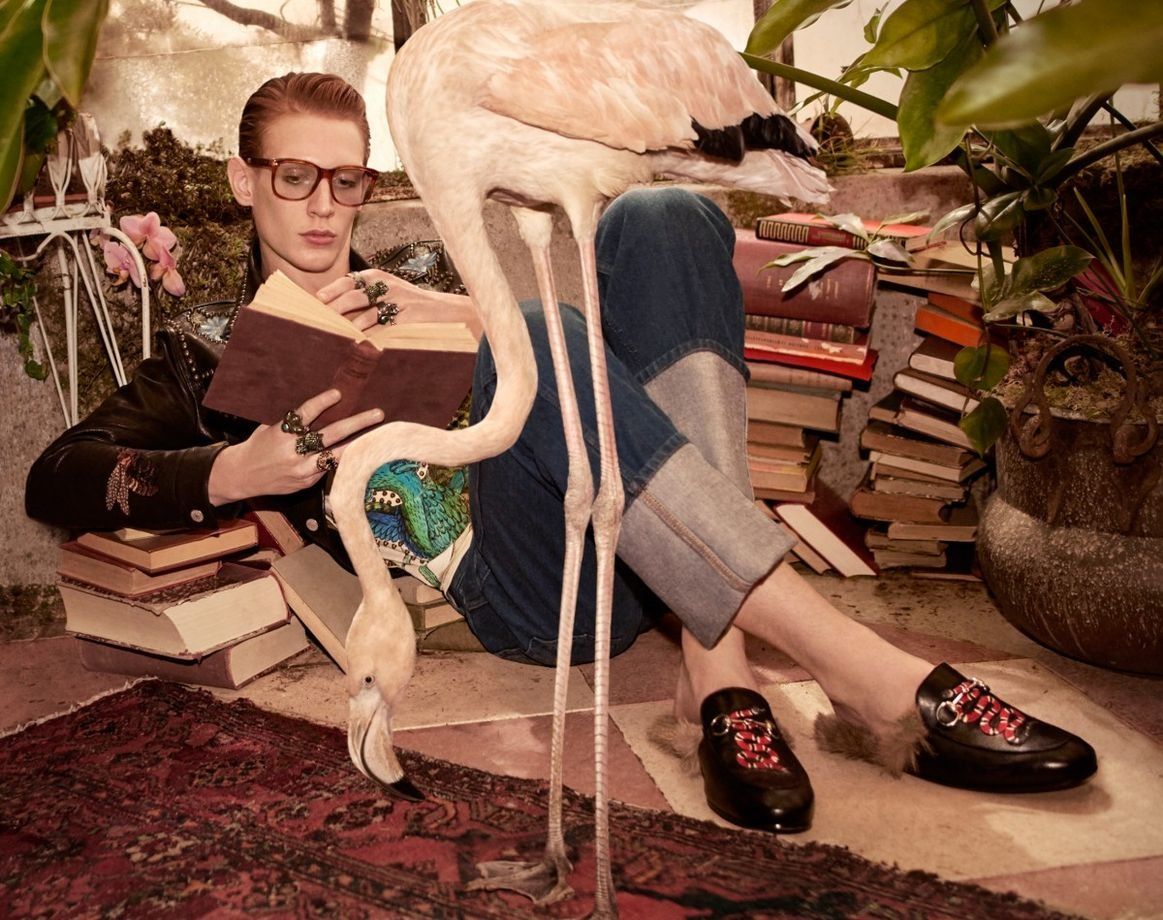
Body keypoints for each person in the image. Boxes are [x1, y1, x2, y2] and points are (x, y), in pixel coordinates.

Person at [26, 72, 1097, 834]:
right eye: (295, 176)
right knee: (535, 333)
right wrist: (232, 471)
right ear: (243, 179)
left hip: (627, 542)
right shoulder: (204, 349)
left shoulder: (418, 267)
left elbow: (571, 363)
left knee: (662, 216)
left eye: (346, 181)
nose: (322, 206)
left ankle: (716, 669)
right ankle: (858, 670)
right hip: (525, 591)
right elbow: (57, 475)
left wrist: (454, 310)